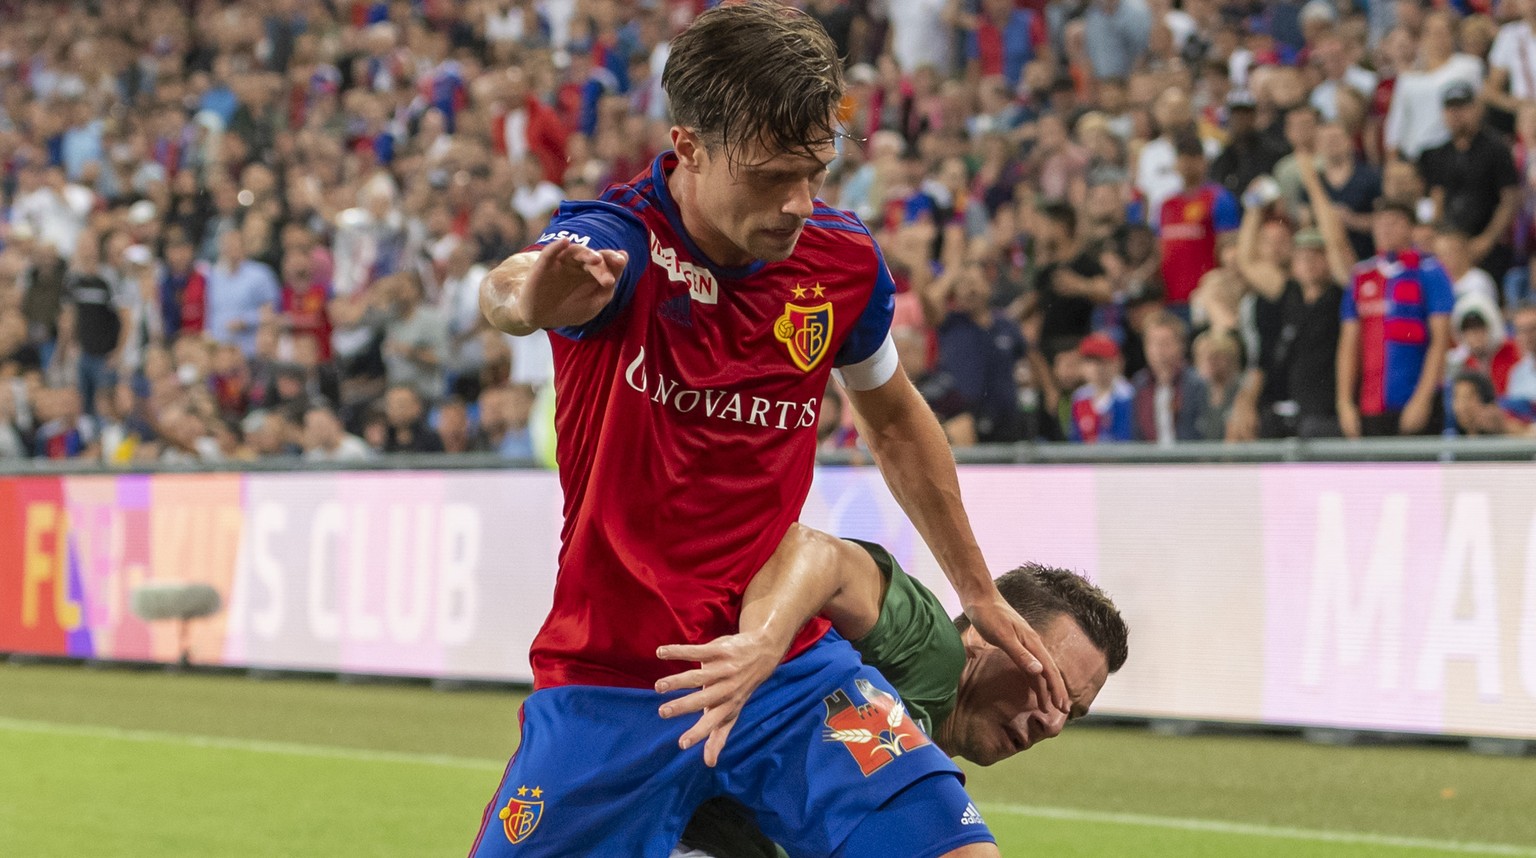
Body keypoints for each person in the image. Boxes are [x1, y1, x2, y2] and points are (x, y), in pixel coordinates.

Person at [472, 6, 1063, 856]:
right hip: (615, 681)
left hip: (792, 673)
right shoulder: (617, 243)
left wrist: (977, 590)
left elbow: (895, 422)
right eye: (771, 176)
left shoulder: (842, 264)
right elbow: (514, 286)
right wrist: (528, 299)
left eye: (815, 172)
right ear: (690, 146)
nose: (797, 202)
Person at [670, 525, 1128, 858]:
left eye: (1072, 713)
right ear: (991, 636)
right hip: (669, 783)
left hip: (700, 807)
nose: (1052, 723)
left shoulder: (918, 758)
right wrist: (763, 643)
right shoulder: (933, 649)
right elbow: (813, 551)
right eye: (1051, 685)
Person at [1230, 150, 1354, 440]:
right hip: (1291, 409)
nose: (1309, 262)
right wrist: (1254, 207)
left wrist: (1312, 183)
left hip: (1326, 412)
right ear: (1293, 263)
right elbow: (1248, 261)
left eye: (1317, 255)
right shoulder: (1290, 293)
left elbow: (1335, 241)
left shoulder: (1340, 294)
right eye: (1302, 256)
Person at [1336, 198, 1455, 439]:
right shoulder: (1362, 275)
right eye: (1380, 223)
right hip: (1370, 404)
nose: (1385, 229)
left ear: (1411, 229)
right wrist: (1344, 402)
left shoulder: (1429, 271)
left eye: (1394, 223)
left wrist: (1423, 398)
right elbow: (1349, 343)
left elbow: (1440, 340)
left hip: (1414, 403)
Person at [1417, 82, 1521, 282]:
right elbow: (1438, 197)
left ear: (1476, 109)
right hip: (1450, 244)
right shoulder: (1440, 153)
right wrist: (1438, 238)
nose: (1456, 114)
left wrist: (1487, 240)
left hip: (1488, 242)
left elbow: (1510, 199)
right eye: (1451, 108)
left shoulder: (1496, 148)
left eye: (1462, 107)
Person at [1158, 131, 1241, 320]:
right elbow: (1160, 250)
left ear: (1204, 161)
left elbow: (1228, 246)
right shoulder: (1166, 205)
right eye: (1182, 157)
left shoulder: (1219, 198)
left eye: (1193, 156)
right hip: (1171, 298)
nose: (1187, 163)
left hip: (1205, 298)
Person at [1068, 332, 1135, 443]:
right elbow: (1075, 440)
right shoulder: (1079, 398)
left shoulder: (1129, 395)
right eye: (1090, 361)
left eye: (1101, 361)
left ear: (1116, 362)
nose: (1096, 367)